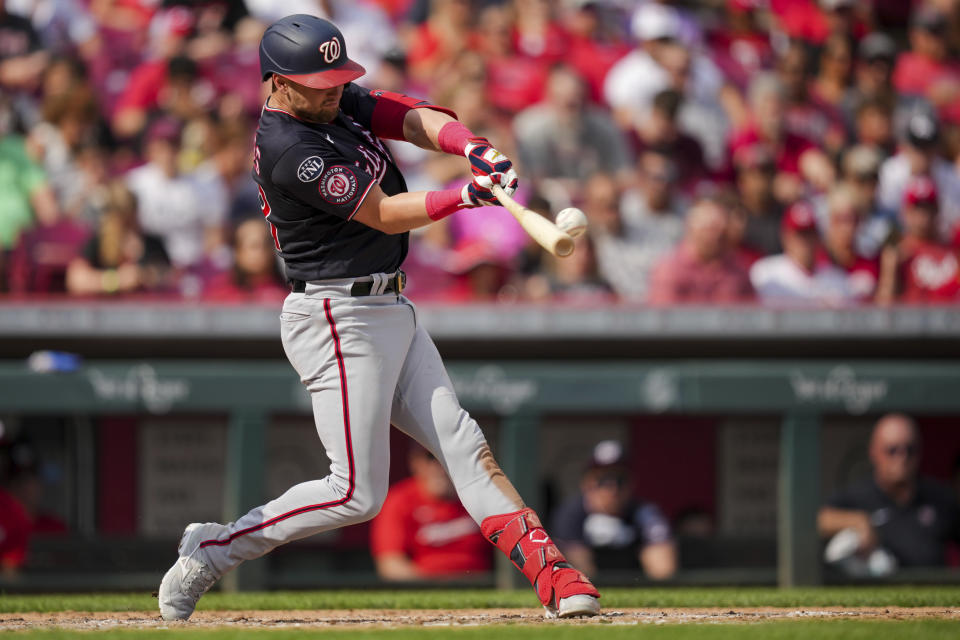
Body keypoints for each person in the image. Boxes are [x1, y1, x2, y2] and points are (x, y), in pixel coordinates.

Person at [158, 15, 600, 621]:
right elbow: (387, 213)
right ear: (278, 84)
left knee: (465, 445)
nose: (334, 88)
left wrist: (469, 145)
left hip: (390, 304)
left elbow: (409, 116)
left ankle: (553, 575)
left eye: (337, 77)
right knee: (355, 493)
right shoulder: (289, 147)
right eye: (318, 81)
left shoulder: (330, 102)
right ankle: (213, 547)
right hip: (337, 316)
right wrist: (466, 195)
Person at [818, 414, 960, 573]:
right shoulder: (858, 495)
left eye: (910, 450)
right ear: (874, 452)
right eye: (892, 450)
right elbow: (817, 520)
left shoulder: (940, 498)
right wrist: (857, 521)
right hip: (874, 591)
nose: (902, 457)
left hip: (934, 591)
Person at [551, 440, 676, 580]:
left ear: (631, 483)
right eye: (603, 480)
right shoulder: (570, 514)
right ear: (587, 482)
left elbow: (663, 571)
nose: (612, 489)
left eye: (620, 480)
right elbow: (581, 572)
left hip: (634, 585)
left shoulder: (644, 512)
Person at [370, 446, 491, 581]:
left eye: (447, 459)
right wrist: (436, 589)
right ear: (416, 463)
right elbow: (391, 564)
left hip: (481, 584)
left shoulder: (480, 495)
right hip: (425, 587)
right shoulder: (400, 500)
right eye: (431, 458)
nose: (438, 467)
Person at [647, 198, 754, 305]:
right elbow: (664, 316)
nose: (716, 236)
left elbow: (751, 311)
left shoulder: (737, 267)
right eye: (710, 229)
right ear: (691, 229)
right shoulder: (670, 269)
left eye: (722, 230)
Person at [750, 201, 854, 306]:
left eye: (808, 233)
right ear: (785, 236)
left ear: (817, 237)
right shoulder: (765, 272)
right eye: (799, 234)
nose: (804, 241)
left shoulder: (836, 278)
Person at [876, 175, 960, 304]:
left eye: (928, 208)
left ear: (937, 210)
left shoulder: (951, 248)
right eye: (917, 209)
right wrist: (890, 272)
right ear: (905, 212)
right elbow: (883, 308)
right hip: (914, 322)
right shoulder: (900, 252)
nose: (923, 216)